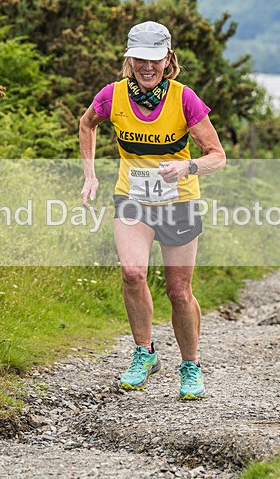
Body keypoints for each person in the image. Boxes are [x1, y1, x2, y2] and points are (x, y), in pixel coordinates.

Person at [79, 21, 226, 400]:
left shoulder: (183, 98)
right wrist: (90, 175)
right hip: (133, 198)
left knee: (179, 291)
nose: (148, 67)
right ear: (129, 60)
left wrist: (187, 166)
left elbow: (217, 156)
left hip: (179, 202)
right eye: (140, 59)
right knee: (132, 273)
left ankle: (190, 364)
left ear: (168, 60)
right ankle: (144, 353)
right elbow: (87, 124)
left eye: (155, 60)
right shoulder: (112, 96)